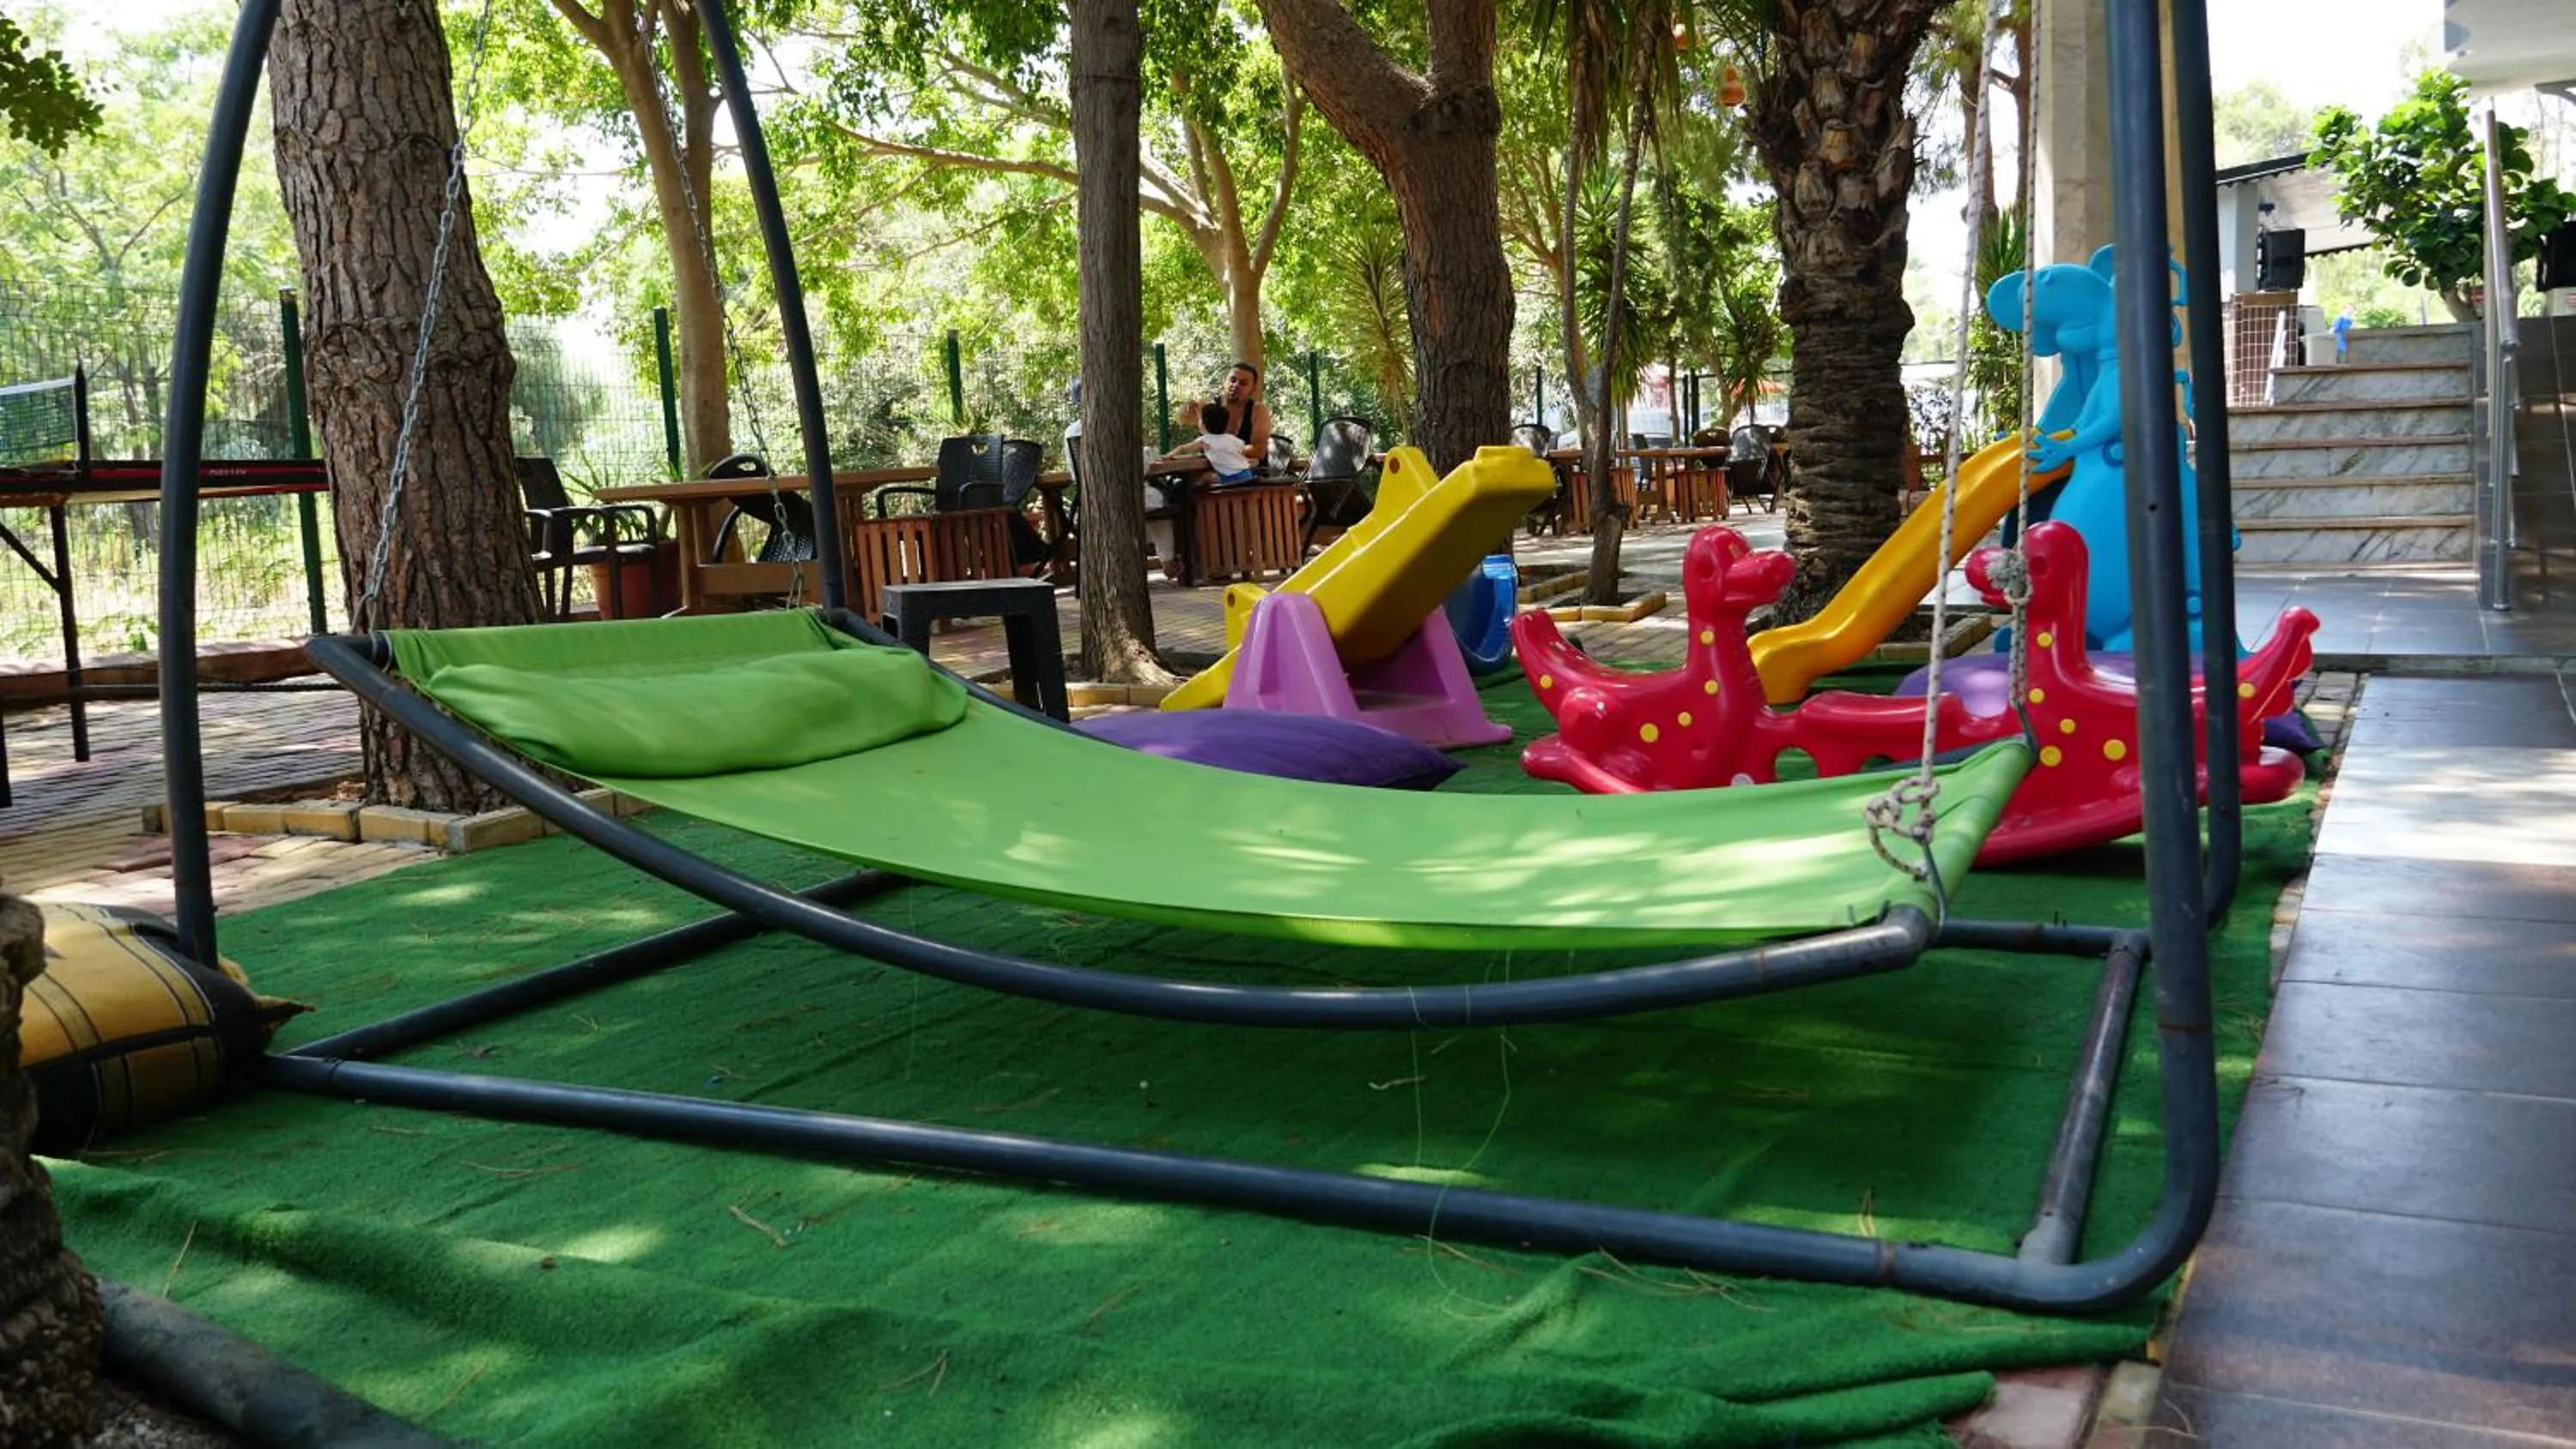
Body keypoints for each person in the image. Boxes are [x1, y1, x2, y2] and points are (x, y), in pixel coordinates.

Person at [1145, 403, 1259, 579]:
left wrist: (1168, 456)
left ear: (1203, 425)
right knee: (1209, 477)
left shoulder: (1205, 441)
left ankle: (1193, 500)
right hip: (1247, 476)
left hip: (1230, 481)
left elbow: (1184, 449)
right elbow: (1241, 450)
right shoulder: (1232, 439)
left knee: (1203, 481)